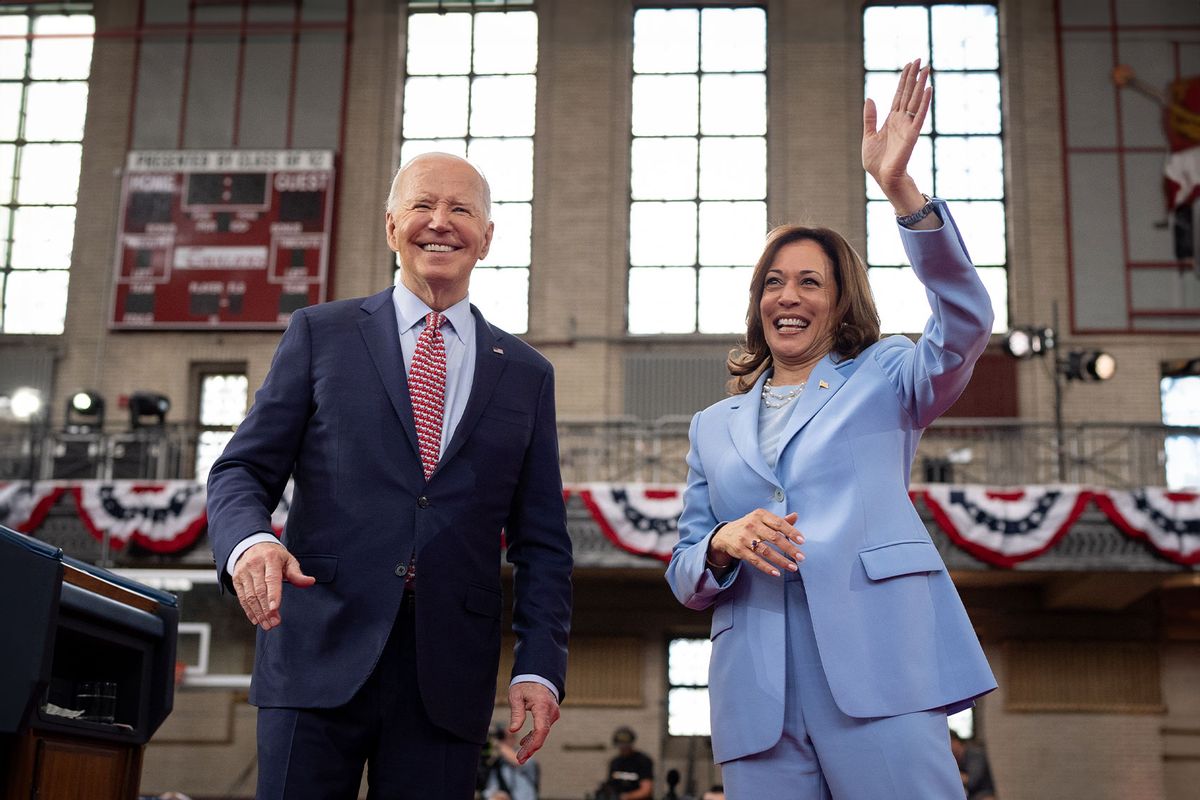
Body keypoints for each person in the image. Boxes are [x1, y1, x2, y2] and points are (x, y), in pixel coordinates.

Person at [664, 60, 997, 798]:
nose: (788, 296)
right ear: (757, 304)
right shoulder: (713, 426)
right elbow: (685, 570)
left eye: (809, 281)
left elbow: (967, 323)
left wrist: (900, 190)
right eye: (773, 283)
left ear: (840, 302)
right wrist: (721, 543)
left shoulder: (887, 375)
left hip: (882, 675)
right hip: (758, 701)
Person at [206, 152, 573, 799]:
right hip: (316, 651)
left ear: (487, 238)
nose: (440, 222)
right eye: (422, 206)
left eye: (462, 209)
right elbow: (241, 469)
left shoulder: (526, 374)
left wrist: (540, 667)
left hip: (447, 677)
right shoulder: (321, 334)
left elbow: (542, 542)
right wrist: (250, 541)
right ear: (390, 226)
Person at [481, 723, 541, 800]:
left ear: (514, 739)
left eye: (505, 737)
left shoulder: (525, 753)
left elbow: (518, 761)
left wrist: (497, 743)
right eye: (501, 737)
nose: (503, 740)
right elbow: (490, 789)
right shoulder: (497, 761)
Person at [601, 726, 654, 800]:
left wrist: (626, 797)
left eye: (626, 745)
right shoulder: (615, 763)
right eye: (620, 745)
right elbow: (610, 786)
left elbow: (646, 790)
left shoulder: (642, 761)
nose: (623, 748)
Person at [950, 731, 998, 800]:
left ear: (956, 741)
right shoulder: (954, 758)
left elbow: (972, 780)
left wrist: (947, 773)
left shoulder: (975, 755)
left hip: (983, 794)